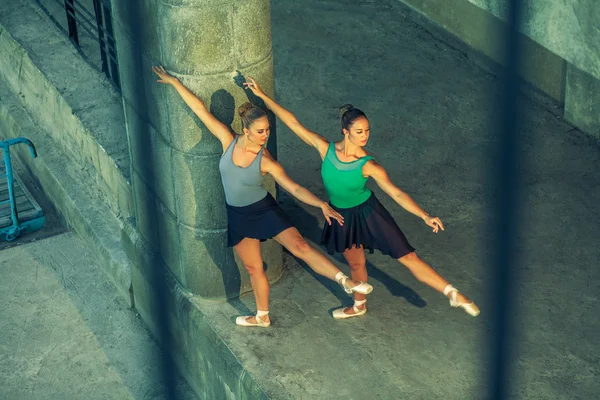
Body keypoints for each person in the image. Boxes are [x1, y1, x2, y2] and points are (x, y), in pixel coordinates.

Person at [152, 66, 373, 327]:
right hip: (238, 215)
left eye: (267, 130)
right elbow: (200, 109)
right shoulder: (228, 140)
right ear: (246, 131)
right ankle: (261, 316)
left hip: (264, 209)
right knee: (254, 268)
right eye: (260, 131)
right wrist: (174, 82)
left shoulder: (266, 160)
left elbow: (294, 188)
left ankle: (344, 280)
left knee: (300, 246)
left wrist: (321, 204)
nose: (265, 135)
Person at [242, 76, 479, 319]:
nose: (364, 135)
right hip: (341, 216)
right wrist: (262, 96)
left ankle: (453, 293)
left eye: (367, 131)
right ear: (346, 132)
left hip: (369, 214)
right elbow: (292, 122)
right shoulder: (326, 149)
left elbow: (396, 192)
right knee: (355, 264)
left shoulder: (368, 165)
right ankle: (359, 305)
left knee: (407, 257)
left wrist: (424, 215)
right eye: (359, 131)